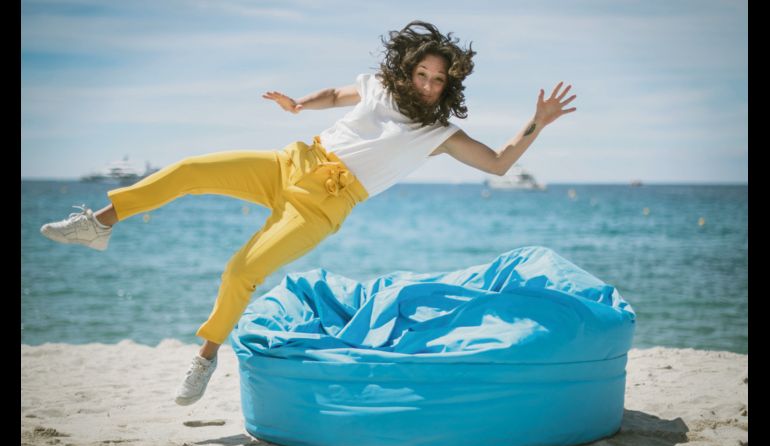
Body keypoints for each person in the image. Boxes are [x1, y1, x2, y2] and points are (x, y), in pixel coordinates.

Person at [39, 20, 577, 406]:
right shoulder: (379, 85)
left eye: (439, 81)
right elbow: (335, 94)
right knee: (190, 169)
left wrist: (538, 123)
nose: (429, 86)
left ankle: (205, 357)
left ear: (448, 86)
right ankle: (99, 224)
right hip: (290, 162)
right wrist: (299, 103)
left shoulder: (438, 134)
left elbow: (501, 163)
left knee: (242, 270)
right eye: (423, 75)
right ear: (409, 68)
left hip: (325, 205)